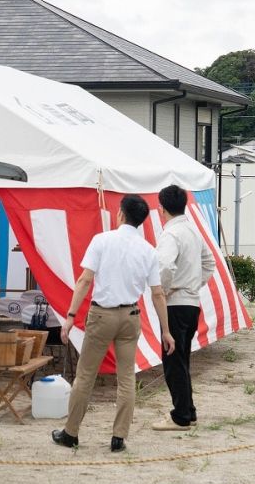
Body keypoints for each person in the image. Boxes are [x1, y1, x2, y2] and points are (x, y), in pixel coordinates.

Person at [53, 194, 174, 453]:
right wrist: (165, 331)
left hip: (102, 315)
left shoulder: (102, 241)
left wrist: (71, 316)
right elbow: (157, 293)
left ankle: (71, 432)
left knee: (86, 375)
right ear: (141, 221)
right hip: (130, 316)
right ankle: (119, 437)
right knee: (126, 377)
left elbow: (85, 280)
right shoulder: (149, 250)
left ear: (120, 214)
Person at [152, 185, 216, 430]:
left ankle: (180, 416)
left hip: (176, 303)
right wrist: (194, 283)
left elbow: (165, 267)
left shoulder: (171, 234)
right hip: (191, 302)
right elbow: (209, 262)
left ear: (162, 208)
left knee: (173, 362)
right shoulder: (192, 230)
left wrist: (165, 289)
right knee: (181, 359)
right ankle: (188, 410)